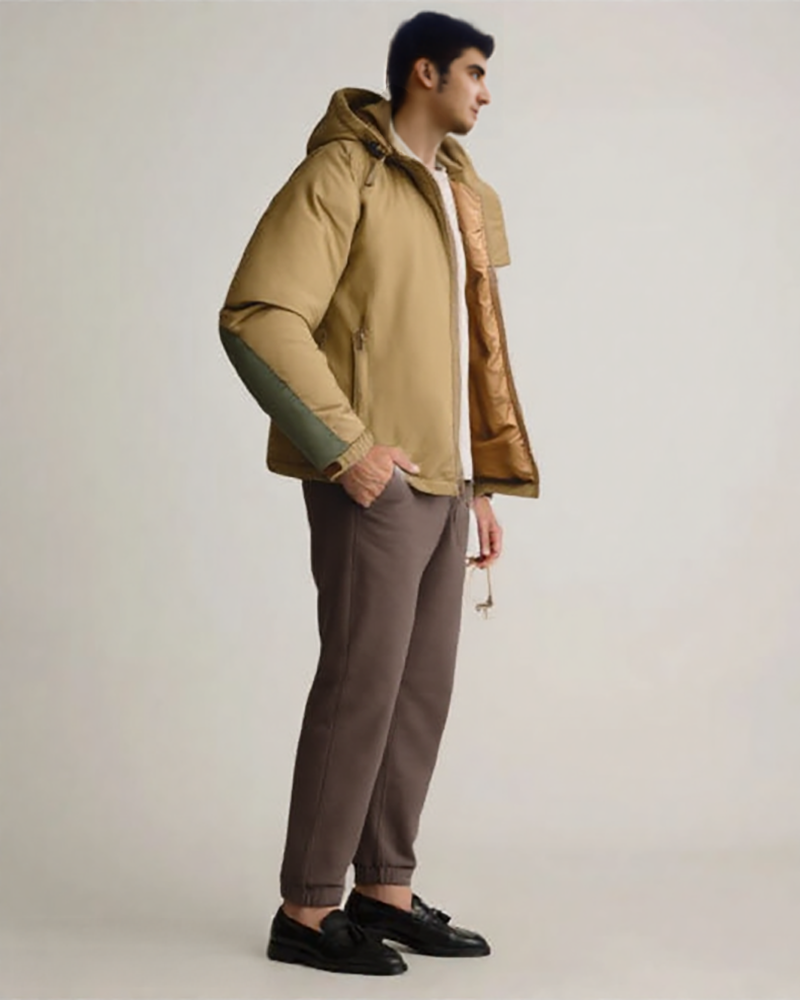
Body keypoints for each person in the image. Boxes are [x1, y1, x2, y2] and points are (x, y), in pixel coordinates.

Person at [218, 9, 539, 976]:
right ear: (424, 73)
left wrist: (479, 481)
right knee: (361, 687)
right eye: (475, 72)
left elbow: (466, 352)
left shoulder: (455, 190)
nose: (487, 92)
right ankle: (307, 908)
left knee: (418, 694)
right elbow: (260, 313)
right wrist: (348, 449)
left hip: (443, 484)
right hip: (373, 484)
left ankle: (383, 890)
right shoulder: (342, 175)